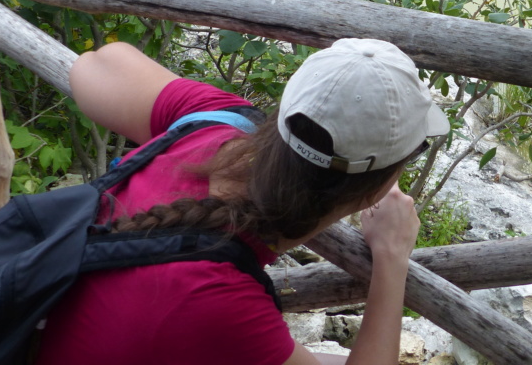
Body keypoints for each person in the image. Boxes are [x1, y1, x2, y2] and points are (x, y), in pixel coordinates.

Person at [35, 37, 450, 365]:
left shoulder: (214, 124)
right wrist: (392, 258)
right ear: (377, 187)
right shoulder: (220, 299)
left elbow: (99, 63)